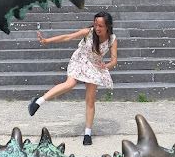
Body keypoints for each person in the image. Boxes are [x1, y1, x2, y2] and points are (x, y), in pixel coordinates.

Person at [28, 11, 118, 145]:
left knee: (90, 100)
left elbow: (114, 60)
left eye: (100, 26)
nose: (97, 28)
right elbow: (68, 37)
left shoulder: (112, 39)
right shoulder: (88, 32)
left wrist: (106, 66)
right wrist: (47, 41)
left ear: (108, 26)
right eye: (95, 24)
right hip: (79, 60)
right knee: (70, 84)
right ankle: (38, 101)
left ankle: (87, 133)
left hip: (94, 65)